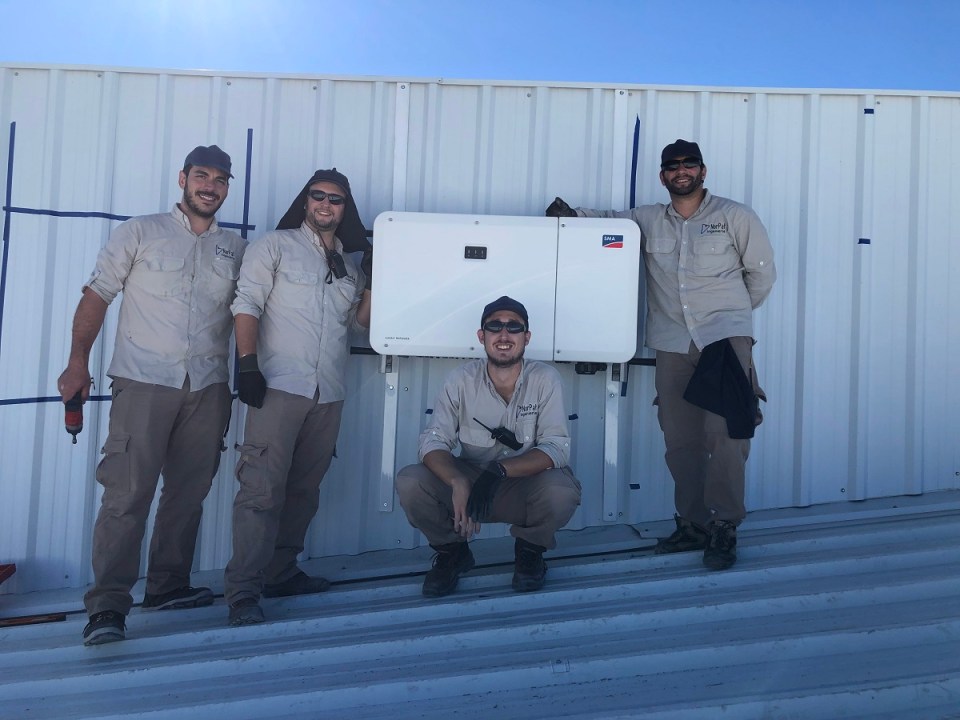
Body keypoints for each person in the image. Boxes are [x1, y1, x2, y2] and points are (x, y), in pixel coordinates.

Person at [546, 139, 776, 571]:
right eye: (673, 166)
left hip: (723, 339)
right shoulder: (647, 219)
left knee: (727, 435)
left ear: (703, 171)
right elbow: (607, 222)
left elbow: (762, 276)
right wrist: (571, 215)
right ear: (663, 175)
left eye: (689, 164)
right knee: (680, 440)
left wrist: (732, 316)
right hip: (671, 343)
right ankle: (693, 524)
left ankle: (724, 525)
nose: (681, 171)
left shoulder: (735, 216)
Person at [58, 145, 246, 646]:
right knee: (127, 494)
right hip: (143, 382)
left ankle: (167, 586)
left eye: (220, 179)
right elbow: (97, 295)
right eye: (202, 175)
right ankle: (107, 607)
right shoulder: (140, 232)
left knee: (189, 492)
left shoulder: (236, 249)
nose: (210, 186)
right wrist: (77, 362)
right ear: (183, 179)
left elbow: (251, 309)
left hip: (207, 387)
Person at [225, 168, 372, 626]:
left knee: (304, 491)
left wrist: (376, 278)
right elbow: (246, 303)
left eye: (335, 199)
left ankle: (281, 572)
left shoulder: (349, 265)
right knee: (261, 491)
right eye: (318, 196)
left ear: (345, 209)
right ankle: (243, 592)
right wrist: (248, 365)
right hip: (278, 387)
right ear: (306, 201)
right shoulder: (274, 246)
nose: (326, 204)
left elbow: (360, 325)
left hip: (328, 394)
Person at [395, 296, 582, 597]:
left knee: (562, 490)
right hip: (469, 485)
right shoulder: (459, 380)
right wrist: (457, 481)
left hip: (520, 484)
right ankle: (452, 553)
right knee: (410, 480)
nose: (504, 335)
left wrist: (499, 470)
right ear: (482, 336)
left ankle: (529, 553)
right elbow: (433, 440)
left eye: (514, 327)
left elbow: (556, 448)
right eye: (494, 327)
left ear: (526, 337)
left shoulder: (545, 379)